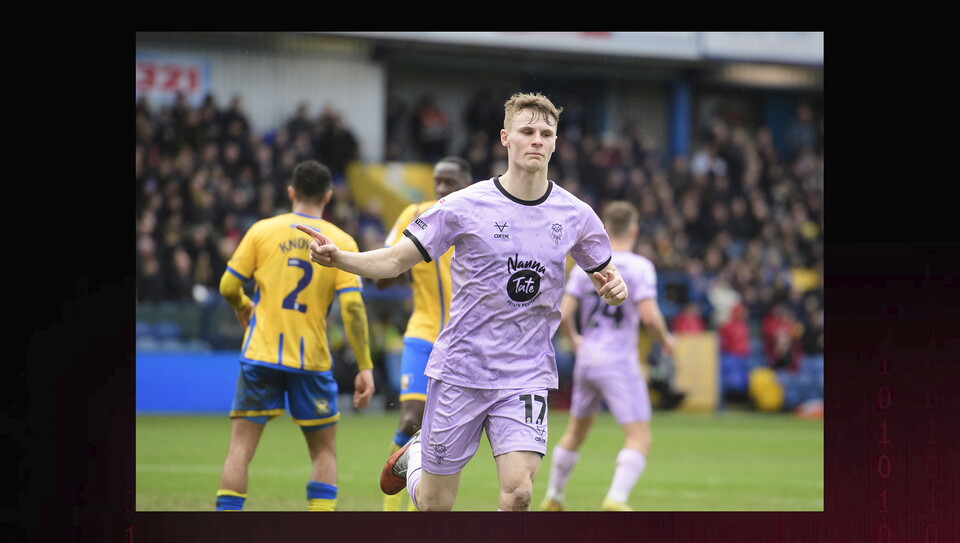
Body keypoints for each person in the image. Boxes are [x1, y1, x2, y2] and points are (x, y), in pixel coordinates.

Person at [297, 92, 627, 511]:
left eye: (546, 133)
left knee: (520, 493)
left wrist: (615, 288)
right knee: (436, 506)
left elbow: (606, 274)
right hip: (461, 369)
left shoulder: (576, 214)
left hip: (525, 373)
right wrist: (341, 258)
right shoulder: (464, 205)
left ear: (557, 142)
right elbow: (396, 259)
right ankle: (413, 457)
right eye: (527, 132)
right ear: (506, 138)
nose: (537, 140)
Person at [214, 159, 375, 512]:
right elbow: (352, 309)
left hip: (261, 354)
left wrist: (243, 304)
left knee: (239, 449)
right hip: (312, 360)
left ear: (290, 192)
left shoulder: (261, 230)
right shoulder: (341, 240)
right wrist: (364, 365)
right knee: (323, 451)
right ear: (328, 197)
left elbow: (227, 285)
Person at [540, 200, 676, 512]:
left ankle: (554, 496)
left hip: (587, 358)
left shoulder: (587, 265)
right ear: (635, 230)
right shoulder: (640, 267)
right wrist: (666, 340)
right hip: (618, 360)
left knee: (575, 432)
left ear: (604, 230)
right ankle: (616, 498)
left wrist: (575, 340)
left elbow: (566, 312)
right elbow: (649, 317)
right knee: (639, 437)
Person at [375, 156, 473, 511]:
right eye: (438, 182)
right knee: (410, 418)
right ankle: (391, 509)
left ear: (468, 183)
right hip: (423, 333)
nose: (443, 189)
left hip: (464, 340)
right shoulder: (416, 213)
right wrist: (415, 244)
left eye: (451, 182)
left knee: (452, 432)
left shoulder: (480, 214)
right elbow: (381, 279)